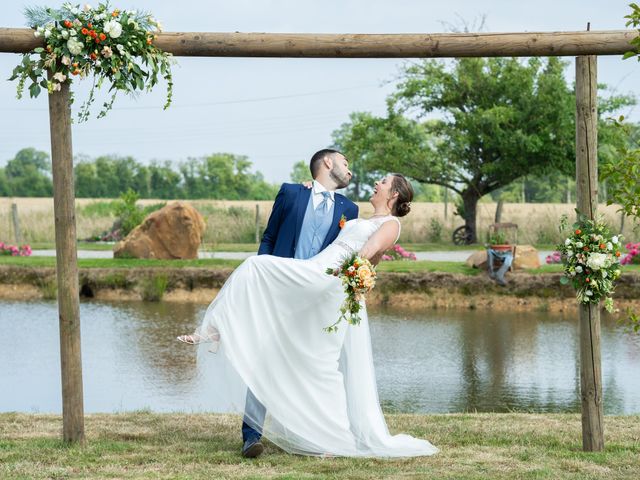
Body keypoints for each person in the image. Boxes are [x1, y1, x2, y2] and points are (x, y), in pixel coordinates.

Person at [178, 173, 438, 458]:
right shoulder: (358, 217)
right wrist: (309, 188)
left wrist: (348, 271)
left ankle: (215, 331)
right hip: (318, 271)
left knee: (255, 267)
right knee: (316, 361)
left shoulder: (390, 224)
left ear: (395, 194)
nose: (377, 183)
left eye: (384, 182)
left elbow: (370, 251)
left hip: (329, 278)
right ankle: (323, 436)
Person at [182, 148, 359, 458]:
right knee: (263, 361)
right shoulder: (292, 192)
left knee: (306, 365)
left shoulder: (350, 209)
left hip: (314, 298)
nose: (350, 171)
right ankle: (252, 438)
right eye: (345, 163)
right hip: (278, 290)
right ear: (328, 163)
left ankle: (308, 436)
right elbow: (270, 235)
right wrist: (263, 278)